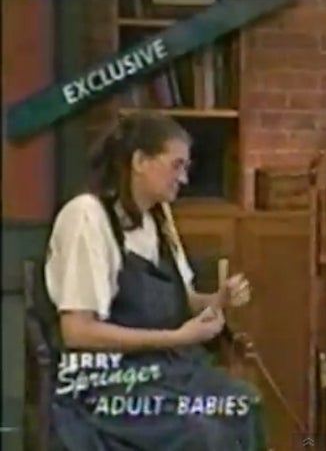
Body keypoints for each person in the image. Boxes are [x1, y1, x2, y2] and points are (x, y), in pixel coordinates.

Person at [45, 112, 267, 450]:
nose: (184, 178)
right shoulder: (88, 216)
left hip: (166, 370)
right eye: (176, 165)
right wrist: (176, 337)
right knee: (206, 434)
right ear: (139, 161)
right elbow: (77, 331)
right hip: (107, 382)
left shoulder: (159, 218)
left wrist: (217, 299)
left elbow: (180, 299)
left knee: (245, 404)